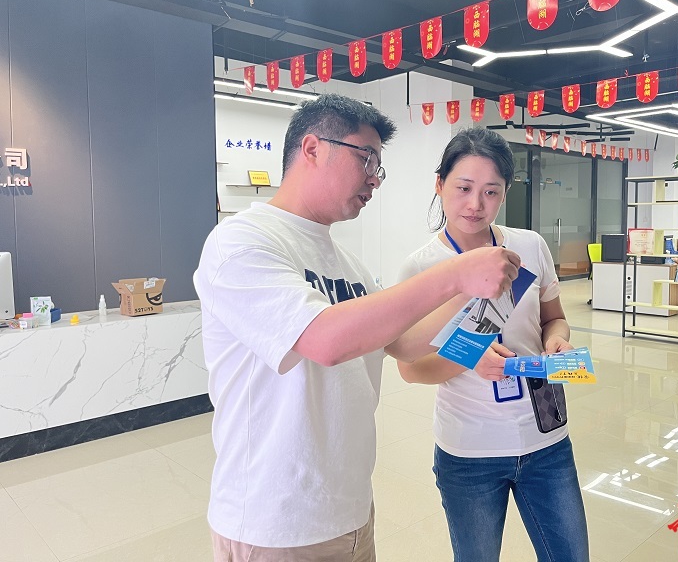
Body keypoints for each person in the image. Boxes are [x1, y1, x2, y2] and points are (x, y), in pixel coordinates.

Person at [193, 94, 520, 562]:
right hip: (276, 522)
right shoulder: (242, 241)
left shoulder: (348, 263)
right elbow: (324, 340)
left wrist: (471, 291)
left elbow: (403, 344)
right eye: (366, 158)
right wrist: (455, 275)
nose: (374, 178)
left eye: (378, 166)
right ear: (312, 148)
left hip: (348, 512)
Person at [396, 127, 590, 562]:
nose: (475, 204)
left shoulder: (529, 247)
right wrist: (469, 360)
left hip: (546, 438)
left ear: (504, 194)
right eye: (463, 188)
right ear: (439, 184)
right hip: (470, 450)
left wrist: (557, 341)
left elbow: (554, 318)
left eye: (491, 192)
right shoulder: (421, 268)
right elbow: (410, 368)